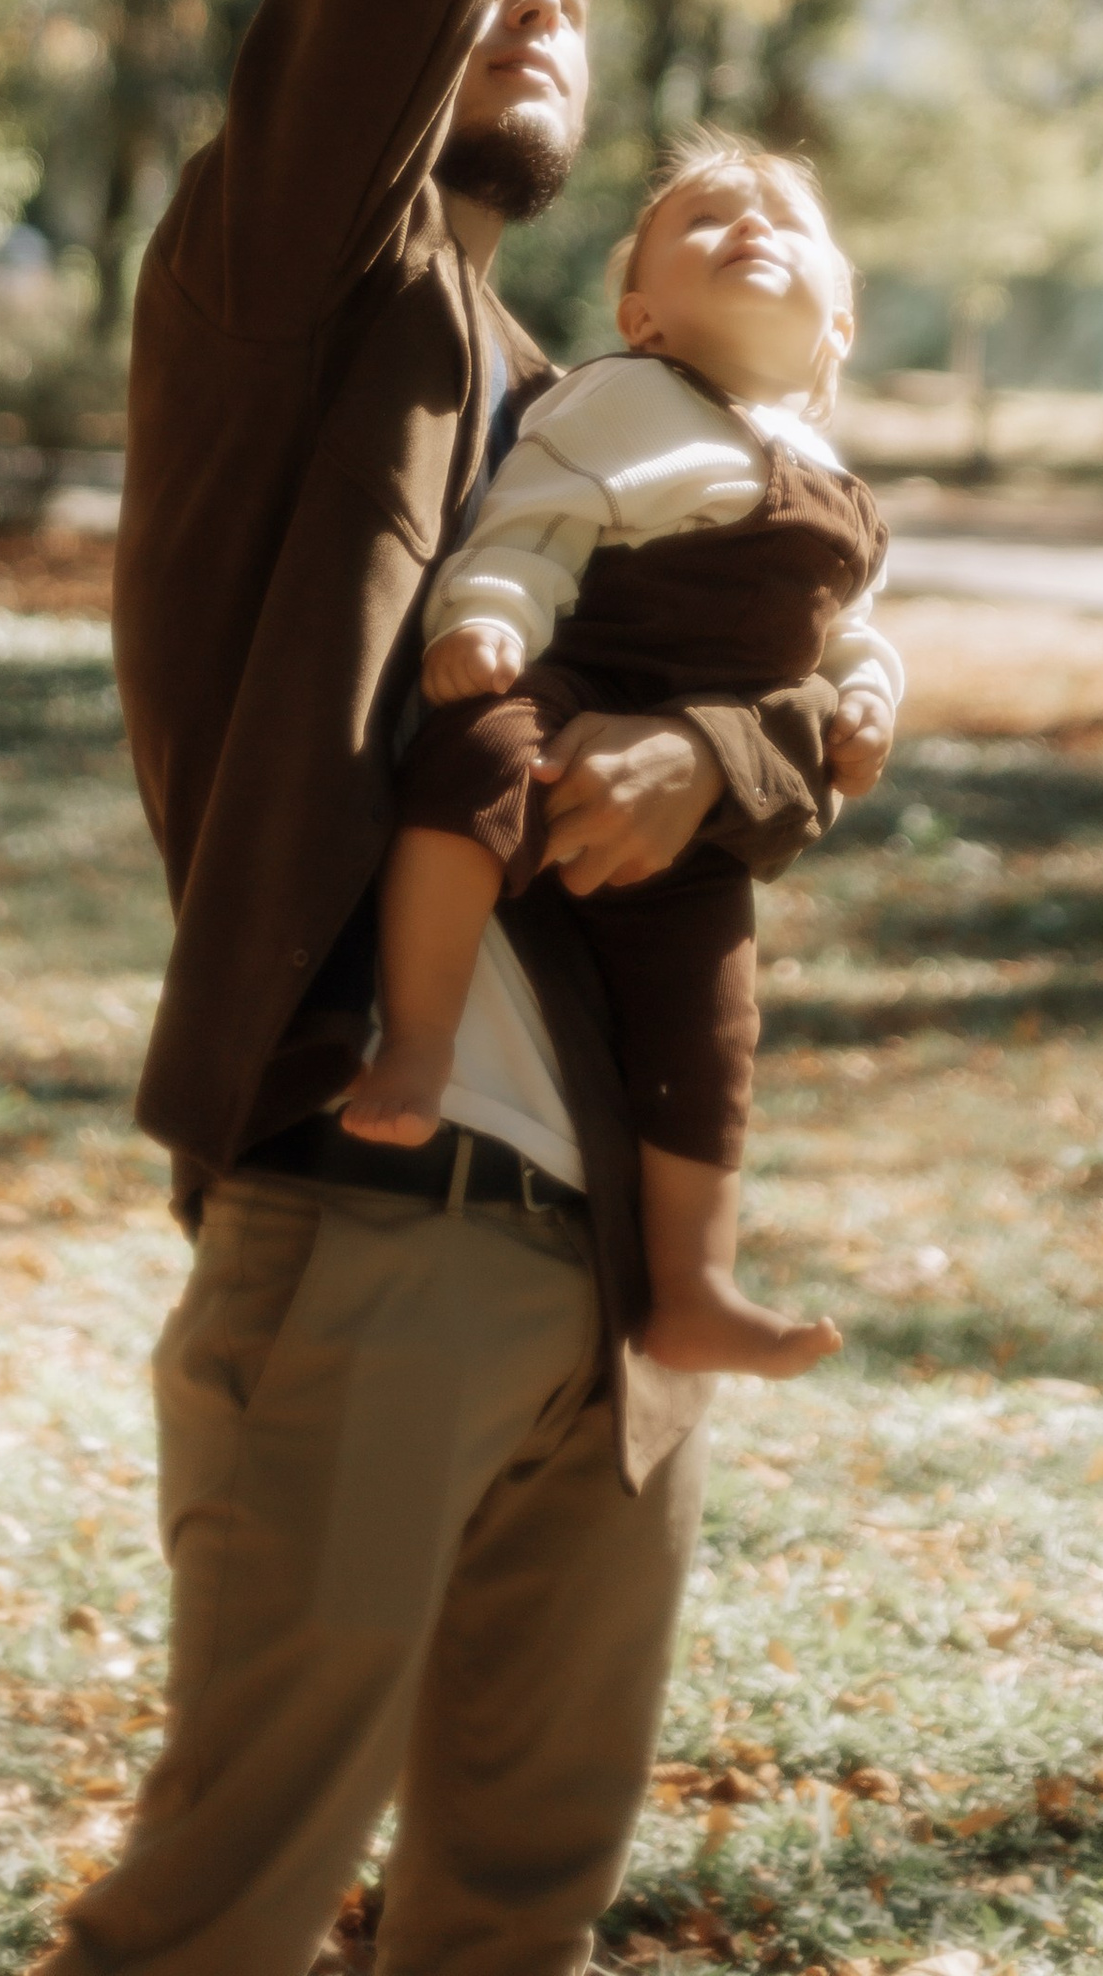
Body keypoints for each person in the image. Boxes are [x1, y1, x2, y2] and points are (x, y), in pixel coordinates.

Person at [32, 0, 870, 1976]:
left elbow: (825, 674)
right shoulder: (300, 286)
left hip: (614, 1295)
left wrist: (720, 766)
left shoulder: (608, 413)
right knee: (226, 1910)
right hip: (369, 1220)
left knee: (513, 1910)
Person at [344, 131, 902, 1379]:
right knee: (475, 760)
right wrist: (488, 617)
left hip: (711, 787)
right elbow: (532, 524)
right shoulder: (621, 400)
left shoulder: (844, 490)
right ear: (641, 316)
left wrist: (868, 700)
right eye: (703, 219)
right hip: (587, 679)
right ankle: (420, 1032)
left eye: (782, 220)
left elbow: (852, 638)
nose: (748, 227)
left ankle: (695, 1284)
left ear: (839, 324)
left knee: (711, 1017)